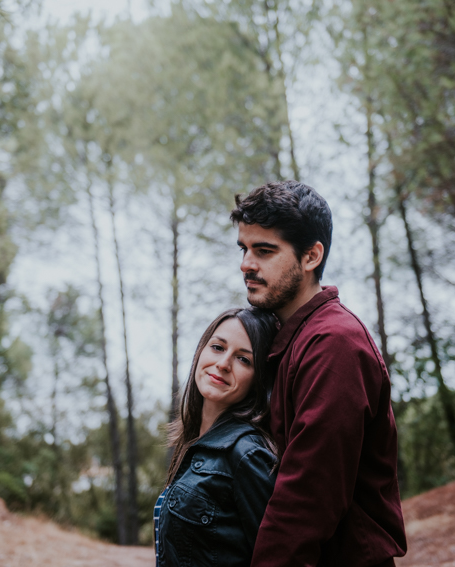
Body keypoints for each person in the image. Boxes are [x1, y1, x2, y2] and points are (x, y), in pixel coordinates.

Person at [231, 180, 407, 567]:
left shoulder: (334, 344)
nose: (246, 264)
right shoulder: (288, 338)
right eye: (244, 249)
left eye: (264, 250)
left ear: (311, 256)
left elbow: (309, 496)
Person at [154, 307, 279, 567]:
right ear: (201, 349)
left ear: (259, 379)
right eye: (218, 347)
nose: (223, 364)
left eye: (244, 359)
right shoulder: (196, 443)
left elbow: (277, 557)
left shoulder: (247, 455)